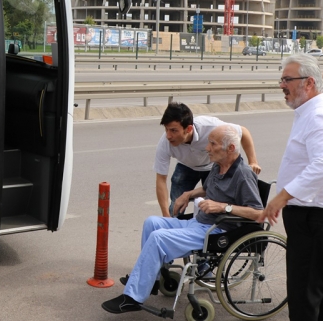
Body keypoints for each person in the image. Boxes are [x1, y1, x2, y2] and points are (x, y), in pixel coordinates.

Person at [102, 125, 263, 314]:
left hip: (216, 231)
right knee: (152, 223)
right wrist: (188, 194)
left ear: (231, 149)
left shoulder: (242, 175)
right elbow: (208, 188)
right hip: (199, 223)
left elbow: (258, 213)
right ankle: (150, 281)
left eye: (212, 144)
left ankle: (132, 298)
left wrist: (222, 207)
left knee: (159, 238)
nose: (207, 148)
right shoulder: (219, 166)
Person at [258, 53, 323, 321]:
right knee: (322, 287)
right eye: (281, 79)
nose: (281, 85)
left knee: (304, 293)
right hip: (317, 215)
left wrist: (282, 197)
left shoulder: (319, 115)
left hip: (319, 217)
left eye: (287, 79)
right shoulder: (310, 111)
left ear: (309, 83)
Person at [153, 103, 261, 217]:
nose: (168, 136)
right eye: (166, 130)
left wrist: (253, 161)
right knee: (175, 207)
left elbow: (243, 132)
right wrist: (166, 216)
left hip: (212, 167)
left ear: (189, 128)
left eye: (174, 130)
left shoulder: (211, 127)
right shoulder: (165, 143)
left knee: (212, 206)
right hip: (186, 166)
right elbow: (161, 179)